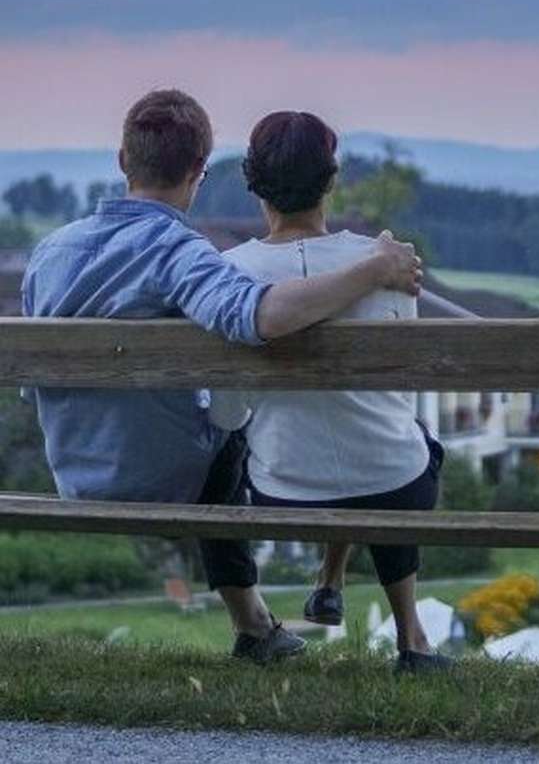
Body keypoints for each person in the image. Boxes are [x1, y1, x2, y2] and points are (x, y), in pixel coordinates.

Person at [21, 89, 423, 663]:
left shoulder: (51, 251)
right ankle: (254, 627)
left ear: (121, 161)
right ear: (198, 172)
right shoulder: (180, 252)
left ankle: (261, 623)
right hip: (163, 479)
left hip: (77, 474)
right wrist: (376, 268)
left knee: (225, 412)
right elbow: (263, 318)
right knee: (230, 426)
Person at [210, 111, 451, 674]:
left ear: (254, 185)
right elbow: (401, 394)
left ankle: (321, 585)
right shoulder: (389, 265)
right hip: (395, 482)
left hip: (285, 490)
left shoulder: (229, 274)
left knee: (326, 436)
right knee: (401, 446)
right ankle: (412, 641)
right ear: (331, 180)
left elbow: (226, 416)